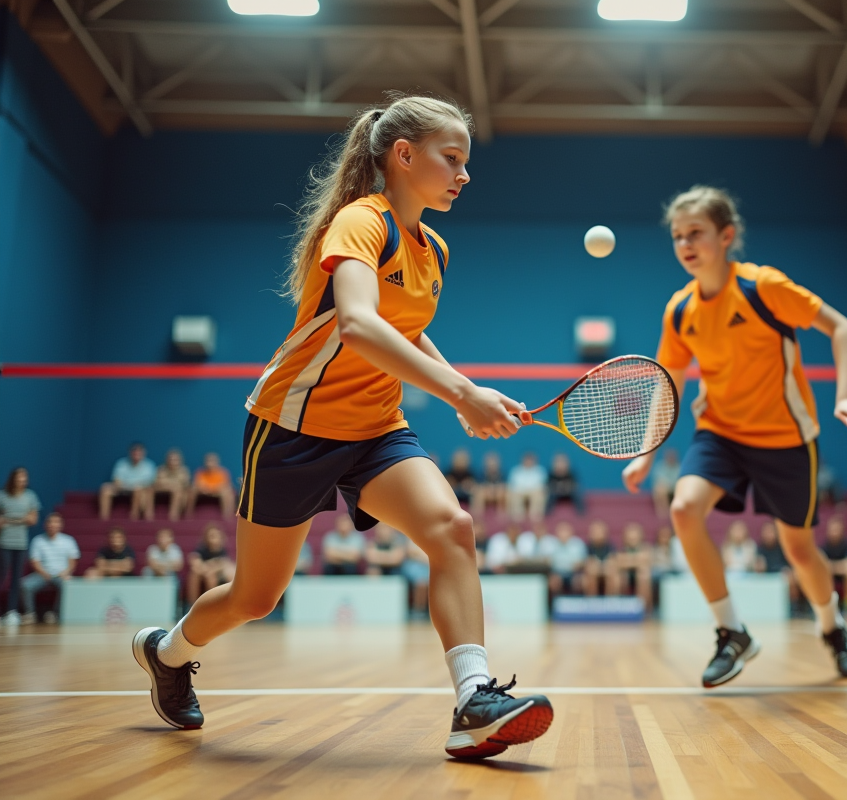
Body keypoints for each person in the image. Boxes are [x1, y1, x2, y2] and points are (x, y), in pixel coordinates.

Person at [132, 96, 551, 760]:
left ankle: (475, 701)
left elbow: (408, 331)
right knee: (255, 596)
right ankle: (167, 651)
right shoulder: (360, 222)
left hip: (377, 430)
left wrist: (467, 394)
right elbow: (356, 324)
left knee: (453, 529)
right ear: (403, 155)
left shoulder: (433, 248)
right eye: (452, 159)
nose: (464, 175)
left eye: (466, 162)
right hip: (295, 425)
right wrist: (462, 393)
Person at [622, 185, 847, 687]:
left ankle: (834, 629)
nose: (686, 245)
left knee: (799, 550)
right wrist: (646, 455)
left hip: (786, 435)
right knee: (682, 509)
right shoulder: (679, 311)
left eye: (696, 233)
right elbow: (669, 385)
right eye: (677, 237)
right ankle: (731, 631)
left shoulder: (764, 288)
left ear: (727, 236)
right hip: (720, 432)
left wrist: (844, 395)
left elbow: (841, 328)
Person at [21, 513, 78, 624]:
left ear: (61, 525)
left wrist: (66, 572)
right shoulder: (38, 540)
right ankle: (30, 613)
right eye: (50, 522)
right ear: (45, 524)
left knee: (67, 585)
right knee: (25, 585)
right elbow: (35, 561)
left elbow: (73, 561)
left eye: (56, 522)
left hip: (61, 574)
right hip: (42, 574)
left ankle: (54, 614)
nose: (52, 525)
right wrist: (43, 572)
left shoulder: (69, 540)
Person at [1, 467, 40, 625]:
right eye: (20, 477)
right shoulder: (2, 495)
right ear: (13, 479)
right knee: (2, 575)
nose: (22, 480)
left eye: (25, 477)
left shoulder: (30, 496)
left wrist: (10, 519)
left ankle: (11, 611)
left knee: (16, 579)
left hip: (21, 544)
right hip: (4, 542)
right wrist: (20, 519)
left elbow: (33, 519)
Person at [99, 443, 157, 520]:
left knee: (139, 489)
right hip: (122, 488)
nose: (136, 454)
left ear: (144, 453)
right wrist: (121, 485)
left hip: (140, 490)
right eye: (134, 452)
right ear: (130, 452)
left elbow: (150, 483)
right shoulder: (121, 463)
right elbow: (117, 480)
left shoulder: (149, 465)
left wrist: (137, 486)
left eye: (139, 452)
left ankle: (134, 516)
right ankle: (103, 517)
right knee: (105, 488)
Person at [755, 521, 800, 611]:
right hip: (767, 575)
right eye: (767, 532)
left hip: (781, 573)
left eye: (771, 532)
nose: (769, 535)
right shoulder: (759, 548)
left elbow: (790, 564)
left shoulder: (783, 547)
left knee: (791, 578)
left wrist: (787, 571)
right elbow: (758, 566)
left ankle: (794, 608)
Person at [187, 524, 235, 605]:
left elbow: (225, 564)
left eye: (217, 536)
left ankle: (213, 605)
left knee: (211, 576)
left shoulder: (222, 550)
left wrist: (212, 567)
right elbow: (194, 560)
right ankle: (191, 606)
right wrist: (209, 566)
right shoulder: (202, 549)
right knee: (194, 574)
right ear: (206, 537)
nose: (214, 539)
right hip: (203, 572)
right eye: (212, 536)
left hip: (216, 574)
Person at [820, 516, 847, 612]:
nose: (835, 532)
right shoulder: (824, 546)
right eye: (832, 530)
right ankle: (824, 607)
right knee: (820, 575)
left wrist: (831, 566)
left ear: (842, 530)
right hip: (829, 576)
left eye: (837, 529)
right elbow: (821, 566)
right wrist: (842, 566)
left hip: (843, 576)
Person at [609, 522, 652, 606]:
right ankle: (616, 606)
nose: (632, 538)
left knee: (643, 575)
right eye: (630, 537)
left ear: (640, 537)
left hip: (641, 576)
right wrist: (636, 561)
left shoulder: (646, 548)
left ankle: (643, 608)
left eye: (635, 536)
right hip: (626, 575)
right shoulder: (622, 549)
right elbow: (618, 562)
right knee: (616, 576)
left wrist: (627, 561)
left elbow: (645, 562)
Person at [540, 521, 586, 597]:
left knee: (581, 581)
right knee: (553, 581)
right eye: (561, 531)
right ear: (557, 533)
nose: (563, 534)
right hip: (557, 573)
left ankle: (576, 603)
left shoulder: (578, 544)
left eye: (566, 531)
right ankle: (556, 604)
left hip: (574, 573)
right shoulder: (551, 544)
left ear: (571, 533)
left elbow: (580, 563)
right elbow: (548, 561)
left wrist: (561, 563)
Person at [189, 452, 235, 518]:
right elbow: (198, 484)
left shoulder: (223, 472)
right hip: (203, 492)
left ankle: (227, 516)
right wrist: (204, 489)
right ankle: (189, 514)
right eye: (208, 461)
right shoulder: (200, 472)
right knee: (193, 489)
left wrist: (212, 489)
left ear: (217, 462)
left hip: (217, 492)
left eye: (212, 461)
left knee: (227, 492)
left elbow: (225, 485)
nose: (210, 463)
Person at [507, 452, 548, 523]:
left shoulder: (540, 471)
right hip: (519, 492)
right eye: (527, 460)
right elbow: (513, 485)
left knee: (540, 493)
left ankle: (535, 515)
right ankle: (518, 515)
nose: (528, 462)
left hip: (534, 492)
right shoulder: (516, 471)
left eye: (530, 460)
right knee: (513, 494)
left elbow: (542, 485)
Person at [398, 532, 431, 616]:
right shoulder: (412, 532)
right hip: (413, 564)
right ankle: (418, 611)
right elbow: (410, 552)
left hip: (428, 565)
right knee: (421, 582)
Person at [153, 449, 191, 521]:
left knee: (178, 491)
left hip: (179, 492)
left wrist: (169, 484)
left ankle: (173, 515)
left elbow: (184, 484)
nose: (172, 462)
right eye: (171, 459)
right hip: (160, 491)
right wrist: (172, 485)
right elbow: (159, 483)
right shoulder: (161, 469)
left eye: (175, 460)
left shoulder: (184, 470)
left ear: (180, 460)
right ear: (167, 460)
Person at [580, 520, 613, 597]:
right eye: (594, 532)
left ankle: (611, 603)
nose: (596, 534)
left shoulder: (610, 546)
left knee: (614, 576)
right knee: (590, 575)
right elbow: (587, 563)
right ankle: (592, 603)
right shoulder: (588, 547)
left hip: (606, 572)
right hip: (593, 573)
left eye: (599, 532)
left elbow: (612, 562)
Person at [470, 452, 507, 518]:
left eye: (494, 464)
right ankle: (478, 517)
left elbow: (503, 485)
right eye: (490, 463)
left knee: (501, 492)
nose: (492, 466)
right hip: (485, 494)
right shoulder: (481, 474)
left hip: (497, 493)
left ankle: (501, 517)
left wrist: (494, 489)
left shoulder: (501, 474)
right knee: (480, 493)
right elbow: (478, 485)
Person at [650, 449, 680, 519]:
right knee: (660, 488)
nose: (671, 458)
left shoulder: (678, 468)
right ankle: (663, 512)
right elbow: (659, 481)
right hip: (664, 490)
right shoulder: (660, 467)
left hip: (675, 490)